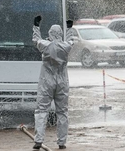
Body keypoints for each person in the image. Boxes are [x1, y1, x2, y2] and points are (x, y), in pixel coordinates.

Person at [32, 15, 74, 150]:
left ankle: (38, 140)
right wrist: (69, 28)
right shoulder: (66, 46)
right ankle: (62, 142)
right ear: (61, 34)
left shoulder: (45, 45)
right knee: (62, 112)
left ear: (50, 33)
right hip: (62, 81)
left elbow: (35, 40)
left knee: (41, 110)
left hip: (46, 81)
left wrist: (36, 26)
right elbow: (71, 40)